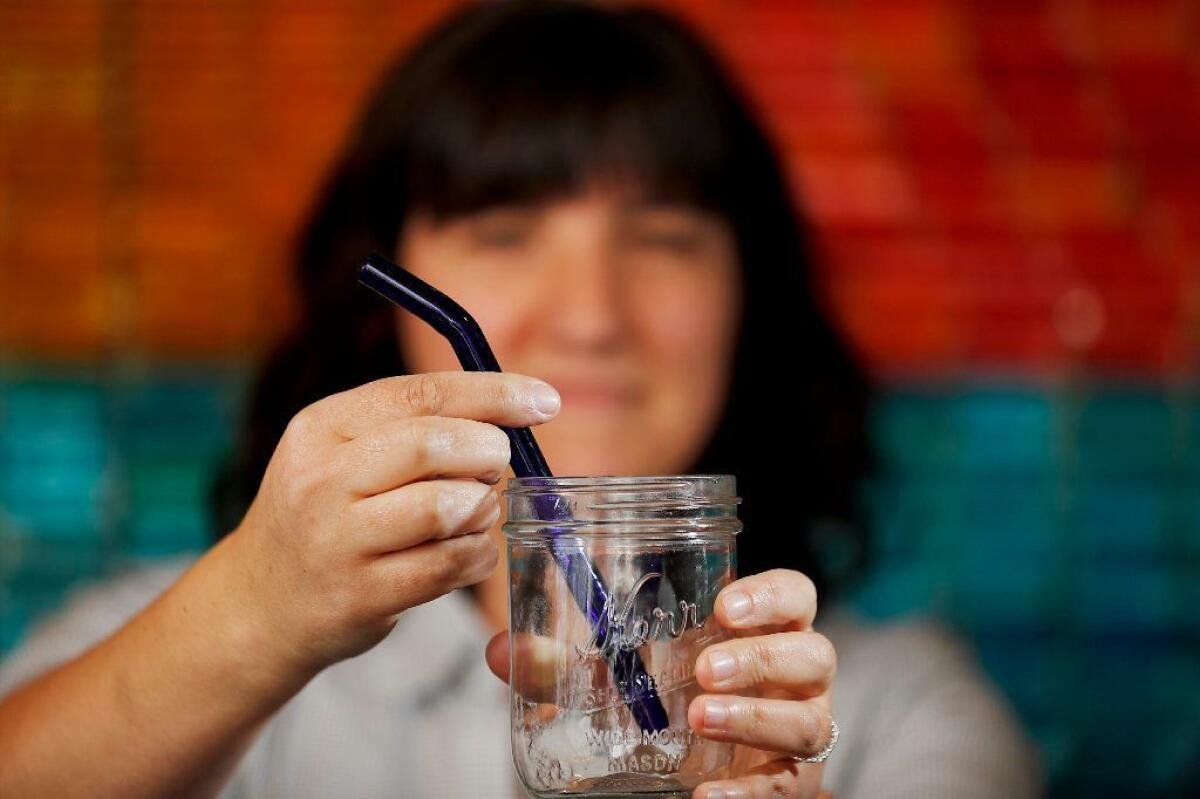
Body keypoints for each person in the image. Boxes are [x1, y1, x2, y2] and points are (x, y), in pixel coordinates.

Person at [0, 2, 1042, 797]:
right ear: (384, 298)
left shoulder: (904, 710)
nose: (592, 315)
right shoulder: (175, 643)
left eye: (666, 237)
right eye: (504, 231)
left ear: (749, 296)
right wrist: (255, 612)